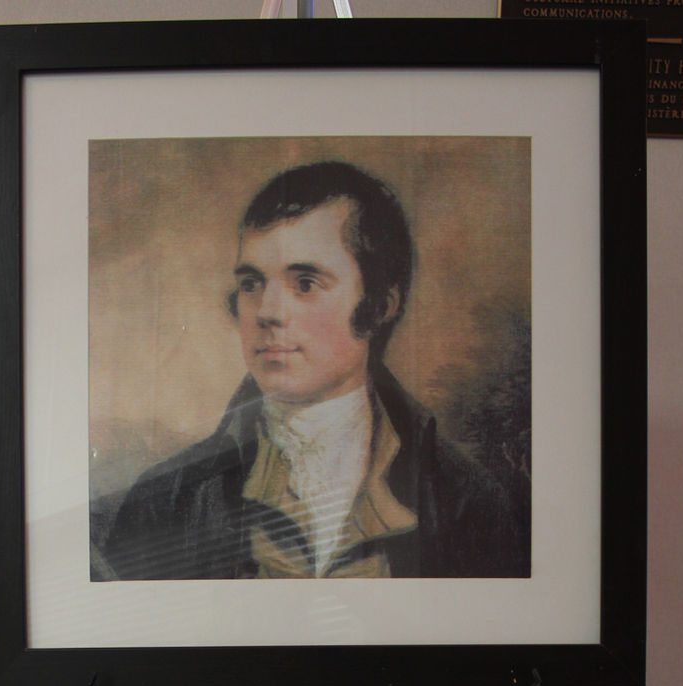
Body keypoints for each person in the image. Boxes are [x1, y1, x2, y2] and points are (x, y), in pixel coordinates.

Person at [98, 160, 529, 581]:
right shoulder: (168, 499)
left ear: (379, 305)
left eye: (305, 283)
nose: (267, 311)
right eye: (251, 284)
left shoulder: (463, 499)